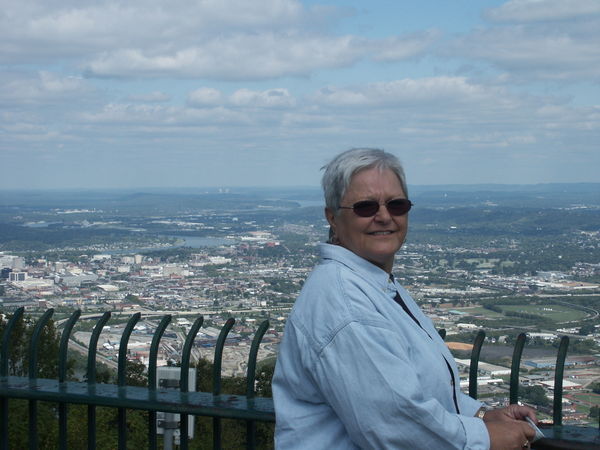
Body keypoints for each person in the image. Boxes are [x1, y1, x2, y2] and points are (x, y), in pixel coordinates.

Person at [272, 148, 538, 449]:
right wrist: (485, 438)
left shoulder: (374, 284)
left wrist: (481, 415)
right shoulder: (346, 303)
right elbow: (395, 427)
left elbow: (413, 390)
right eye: (365, 207)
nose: (384, 216)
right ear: (332, 217)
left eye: (397, 205)